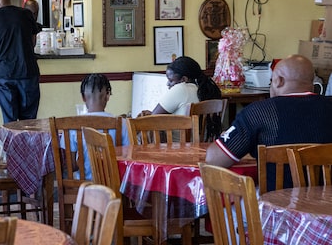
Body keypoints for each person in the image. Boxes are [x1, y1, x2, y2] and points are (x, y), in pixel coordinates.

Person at [206, 54, 332, 190]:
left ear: (279, 81)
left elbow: (214, 160)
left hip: (277, 207)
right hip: (326, 206)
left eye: (271, 81)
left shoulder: (260, 112)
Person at [0, 0, 42, 123]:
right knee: (29, 120)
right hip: (27, 71)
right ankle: (27, 145)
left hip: (4, 74)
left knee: (9, 119)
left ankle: (11, 145)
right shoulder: (26, 15)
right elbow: (33, 42)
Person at [65, 74, 129, 179]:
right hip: (114, 183)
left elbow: (71, 165)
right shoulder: (122, 123)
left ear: (83, 97)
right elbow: (127, 158)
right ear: (108, 95)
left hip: (83, 184)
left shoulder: (72, 125)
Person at [142, 55, 221, 117]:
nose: (167, 84)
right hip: (201, 137)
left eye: (171, 80)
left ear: (183, 79)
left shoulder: (181, 88)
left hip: (178, 138)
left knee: (131, 126)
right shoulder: (203, 88)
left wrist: (150, 114)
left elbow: (152, 119)